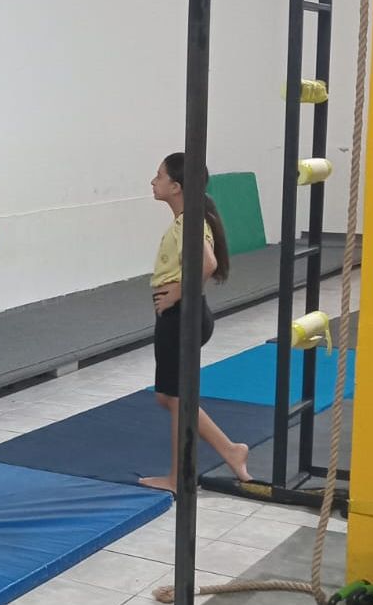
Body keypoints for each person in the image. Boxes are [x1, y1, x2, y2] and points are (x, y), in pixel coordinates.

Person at [139, 152, 251, 493]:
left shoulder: (191, 221)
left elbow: (207, 264)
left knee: (176, 398)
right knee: (168, 397)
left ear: (176, 186)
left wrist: (176, 294)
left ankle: (178, 478)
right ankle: (230, 450)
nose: (153, 181)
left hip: (182, 317)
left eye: (159, 176)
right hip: (180, 316)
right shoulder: (188, 219)